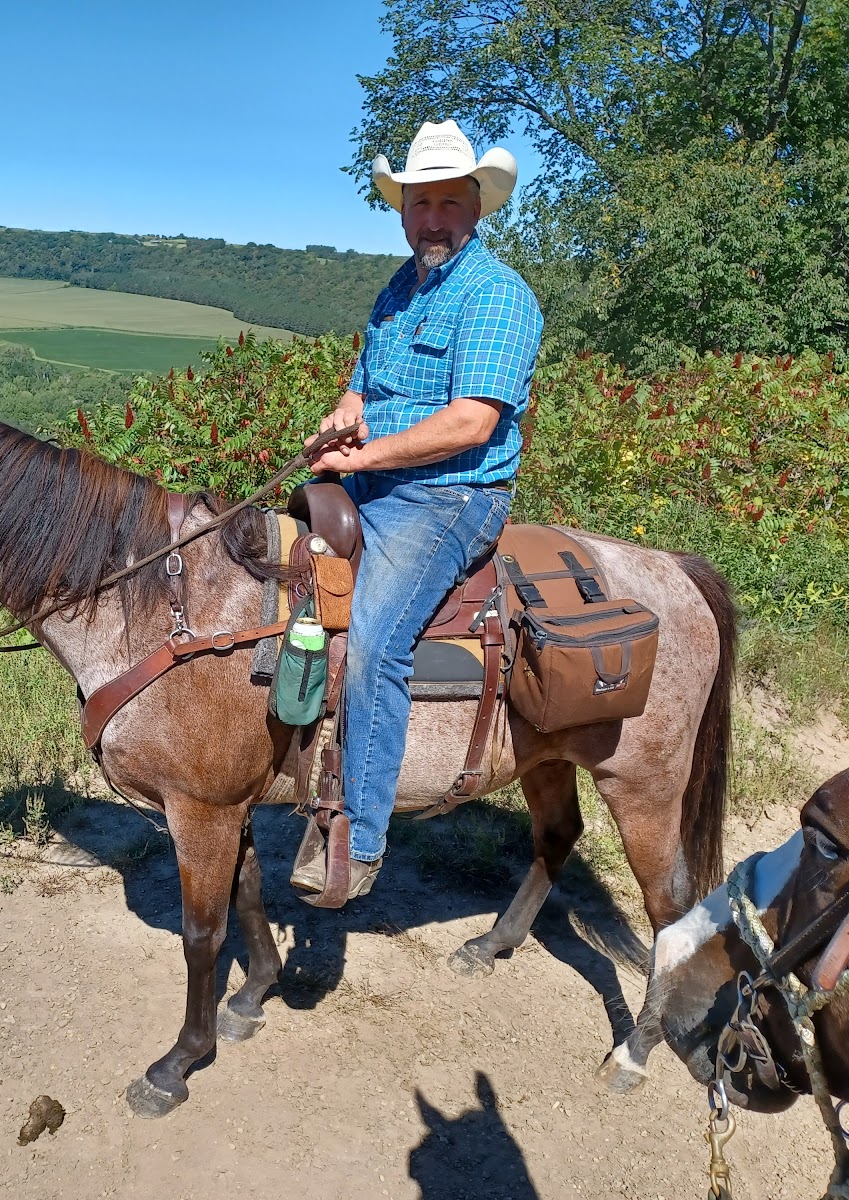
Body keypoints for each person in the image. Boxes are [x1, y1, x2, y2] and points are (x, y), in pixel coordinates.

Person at [295, 119, 543, 905]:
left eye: (448, 203)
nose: (432, 219)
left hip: (450, 495)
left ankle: (359, 836)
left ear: (476, 207)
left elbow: (472, 422)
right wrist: (343, 419)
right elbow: (362, 386)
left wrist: (363, 459)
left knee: (375, 639)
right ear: (403, 212)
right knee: (268, 574)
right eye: (419, 204)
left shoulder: (498, 294)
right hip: (375, 477)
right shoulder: (398, 288)